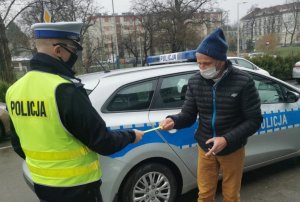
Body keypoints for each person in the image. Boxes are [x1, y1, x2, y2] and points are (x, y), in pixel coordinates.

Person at [6, 21, 144, 202]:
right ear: (58, 50)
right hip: (78, 188)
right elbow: (103, 141)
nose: (76, 55)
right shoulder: (64, 90)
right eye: (73, 49)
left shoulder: (14, 90)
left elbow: (17, 143)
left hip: (42, 184)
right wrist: (131, 136)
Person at [160, 28, 262, 202]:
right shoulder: (195, 82)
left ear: (220, 61)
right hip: (205, 147)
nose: (201, 67)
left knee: (231, 196)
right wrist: (174, 120)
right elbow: (188, 114)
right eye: (198, 63)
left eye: (205, 63)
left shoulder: (243, 81)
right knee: (204, 194)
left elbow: (254, 120)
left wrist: (227, 139)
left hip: (232, 149)